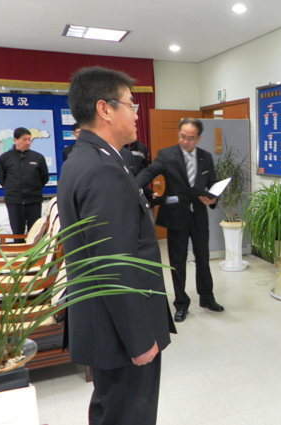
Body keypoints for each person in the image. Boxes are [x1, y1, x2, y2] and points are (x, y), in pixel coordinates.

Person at [57, 66, 176, 425]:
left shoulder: (88, 158)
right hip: (120, 333)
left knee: (111, 411)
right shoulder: (102, 169)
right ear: (104, 109)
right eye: (130, 105)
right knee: (129, 414)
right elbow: (114, 263)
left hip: (106, 323)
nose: (136, 114)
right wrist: (138, 340)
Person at [136, 118, 224, 323]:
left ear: (198, 138)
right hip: (176, 216)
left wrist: (213, 197)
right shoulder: (166, 155)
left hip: (199, 216)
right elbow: (149, 172)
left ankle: (207, 298)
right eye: (182, 136)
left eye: (190, 138)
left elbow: (212, 183)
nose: (185, 141)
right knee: (177, 262)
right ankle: (181, 304)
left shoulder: (205, 157)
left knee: (203, 258)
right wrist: (132, 185)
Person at [0, 127, 49, 240]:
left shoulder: (38, 157)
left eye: (29, 139)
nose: (28, 142)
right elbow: (1, 179)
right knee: (17, 233)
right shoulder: (5, 158)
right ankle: (19, 250)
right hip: (14, 201)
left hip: (33, 200)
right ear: (15, 140)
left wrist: (32, 188)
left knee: (35, 233)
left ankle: (34, 251)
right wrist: (14, 189)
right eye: (24, 139)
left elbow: (44, 178)